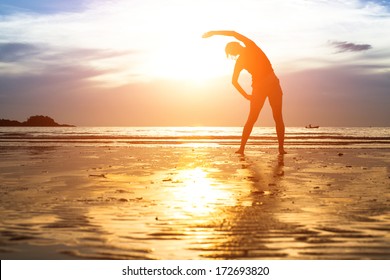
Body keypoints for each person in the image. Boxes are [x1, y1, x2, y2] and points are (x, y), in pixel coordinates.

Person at [203, 30, 286, 155]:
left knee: (275, 117)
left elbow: (233, 33)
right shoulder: (242, 58)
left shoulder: (250, 46)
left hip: (272, 85)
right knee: (255, 118)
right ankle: (242, 148)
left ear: (236, 47)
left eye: (232, 52)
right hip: (261, 87)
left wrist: (215, 32)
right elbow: (234, 81)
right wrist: (246, 95)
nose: (233, 55)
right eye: (231, 53)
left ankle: (279, 148)